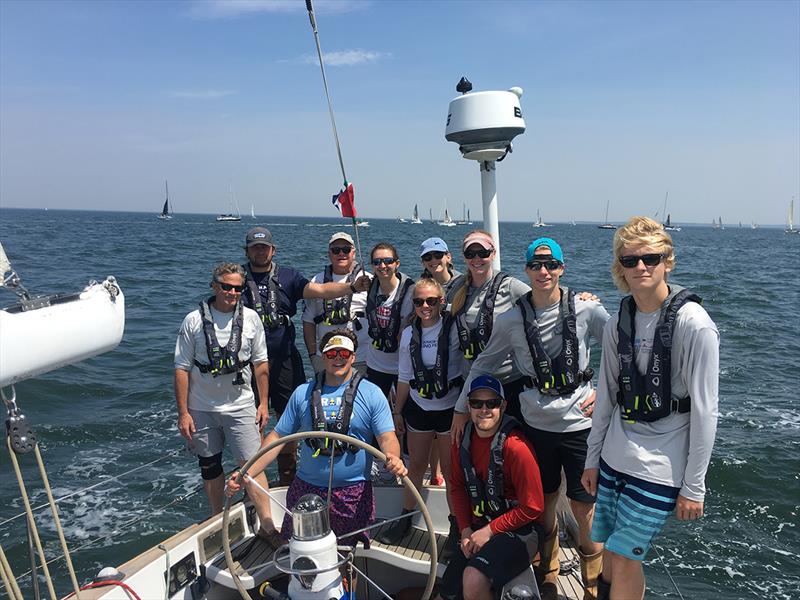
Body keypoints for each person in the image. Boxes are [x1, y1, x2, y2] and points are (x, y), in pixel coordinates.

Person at [454, 237, 610, 600]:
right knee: (546, 502)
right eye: (536, 265)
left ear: (561, 268)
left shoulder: (587, 310)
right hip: (536, 424)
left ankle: (592, 584)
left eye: (551, 264)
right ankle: (549, 571)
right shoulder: (511, 320)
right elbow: (485, 362)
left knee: (584, 508)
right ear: (526, 269)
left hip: (579, 425)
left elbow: (622, 346)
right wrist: (462, 408)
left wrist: (607, 391)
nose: (544, 271)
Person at [581, 216, 719, 600]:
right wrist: (592, 459)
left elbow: (706, 412)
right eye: (630, 260)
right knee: (609, 549)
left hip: (660, 466)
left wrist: (694, 486)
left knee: (625, 558)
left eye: (651, 258)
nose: (641, 267)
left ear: (667, 262)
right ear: (620, 268)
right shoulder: (616, 324)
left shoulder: (695, 325)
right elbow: (606, 396)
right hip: (613, 457)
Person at [227, 329, 407, 546]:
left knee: (346, 558)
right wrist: (246, 472)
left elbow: (387, 437)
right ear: (323, 357)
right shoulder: (302, 393)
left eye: (344, 353)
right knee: (298, 553)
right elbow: (276, 438)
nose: (338, 359)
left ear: (353, 357)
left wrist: (393, 457)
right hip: (306, 489)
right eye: (332, 354)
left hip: (353, 493)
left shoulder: (372, 394)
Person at [241, 227, 369, 486]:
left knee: (289, 419)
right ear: (247, 251)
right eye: (255, 247)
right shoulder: (237, 281)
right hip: (248, 362)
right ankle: (254, 480)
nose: (260, 251)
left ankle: (287, 477)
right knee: (252, 420)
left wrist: (352, 287)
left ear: (273, 250)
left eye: (264, 247)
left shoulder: (288, 276)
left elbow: (320, 291)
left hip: (284, 359)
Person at [174, 263, 272, 520]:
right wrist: (183, 413)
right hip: (202, 408)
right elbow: (182, 369)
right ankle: (218, 519)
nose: (232, 292)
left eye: (237, 288)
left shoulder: (251, 319)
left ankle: (267, 523)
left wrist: (263, 404)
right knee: (209, 466)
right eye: (226, 286)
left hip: (241, 405)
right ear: (214, 286)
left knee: (253, 466)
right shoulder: (193, 321)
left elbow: (261, 365)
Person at [437, 375, 545, 600]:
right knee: (446, 592)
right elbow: (456, 486)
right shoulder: (462, 442)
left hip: (521, 531)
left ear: (503, 406)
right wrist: (465, 529)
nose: (484, 409)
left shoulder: (516, 448)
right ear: (469, 406)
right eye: (477, 403)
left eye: (492, 403)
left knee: (474, 577)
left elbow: (533, 507)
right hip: (479, 526)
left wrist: (489, 531)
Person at [377, 278, 465, 545]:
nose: (425, 306)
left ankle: (456, 527)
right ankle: (405, 518)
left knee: (451, 472)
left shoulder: (454, 329)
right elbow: (404, 376)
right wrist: (398, 412)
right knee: (415, 465)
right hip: (420, 406)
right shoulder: (408, 334)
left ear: (442, 302)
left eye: (431, 301)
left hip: (450, 408)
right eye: (419, 301)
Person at [448, 230, 531, 422]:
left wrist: (580, 298)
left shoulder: (510, 287)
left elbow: (544, 301)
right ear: (464, 257)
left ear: (493, 254)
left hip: (508, 383)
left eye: (483, 253)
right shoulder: (458, 287)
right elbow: (431, 298)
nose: (477, 259)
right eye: (471, 254)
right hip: (472, 385)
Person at [302, 232, 371, 374]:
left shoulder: (368, 280)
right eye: (336, 250)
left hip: (362, 359)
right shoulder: (317, 282)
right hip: (326, 359)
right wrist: (313, 355)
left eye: (346, 250)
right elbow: (308, 320)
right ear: (329, 253)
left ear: (353, 252)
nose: (341, 253)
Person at [364, 242, 415, 398]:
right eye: (377, 262)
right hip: (375, 365)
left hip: (403, 367)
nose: (382, 265)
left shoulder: (412, 292)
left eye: (388, 261)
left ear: (397, 263)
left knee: (401, 415)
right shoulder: (366, 287)